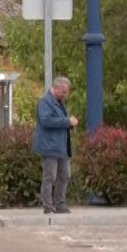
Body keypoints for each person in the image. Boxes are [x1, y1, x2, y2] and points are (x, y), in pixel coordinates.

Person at [34, 76, 79, 214]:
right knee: (50, 177)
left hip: (61, 147)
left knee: (65, 175)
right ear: (56, 88)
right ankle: (48, 206)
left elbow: (58, 121)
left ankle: (60, 204)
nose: (66, 95)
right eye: (64, 92)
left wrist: (70, 125)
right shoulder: (45, 102)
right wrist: (67, 121)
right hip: (49, 147)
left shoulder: (59, 103)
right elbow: (46, 121)